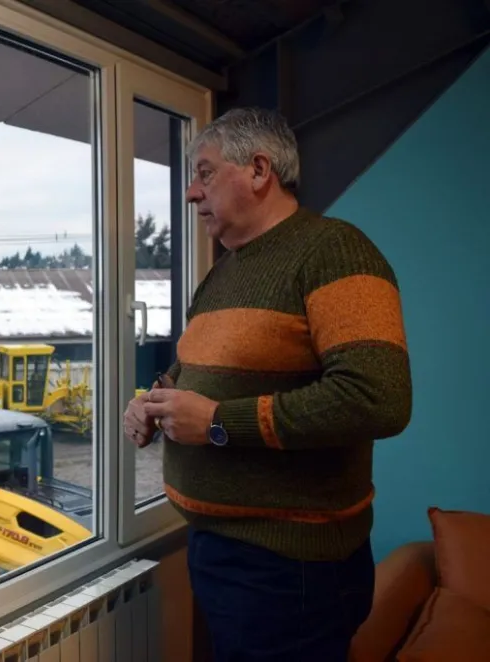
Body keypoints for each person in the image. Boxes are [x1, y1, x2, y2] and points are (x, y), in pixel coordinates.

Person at [123, 107, 412, 662]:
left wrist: (216, 423)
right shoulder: (223, 271)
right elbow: (194, 365)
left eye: (205, 173)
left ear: (259, 170)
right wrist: (154, 400)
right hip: (220, 550)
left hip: (290, 569)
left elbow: (378, 398)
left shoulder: (333, 250)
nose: (191, 193)